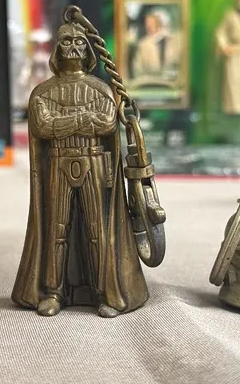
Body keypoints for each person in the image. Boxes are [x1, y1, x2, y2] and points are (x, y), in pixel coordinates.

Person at [12, 21, 149, 318]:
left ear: (88, 50)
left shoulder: (100, 90)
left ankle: (103, 292)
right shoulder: (44, 92)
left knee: (97, 230)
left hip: (94, 163)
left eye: (79, 42)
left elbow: (107, 124)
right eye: (66, 41)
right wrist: (83, 119)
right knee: (56, 229)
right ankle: (53, 292)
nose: (73, 47)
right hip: (58, 163)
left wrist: (65, 121)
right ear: (57, 49)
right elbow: (43, 126)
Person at [131, 9, 181, 82]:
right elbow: (137, 70)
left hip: (172, 83)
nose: (148, 25)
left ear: (160, 24)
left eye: (151, 23)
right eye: (147, 23)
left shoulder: (174, 41)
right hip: (150, 84)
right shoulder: (143, 45)